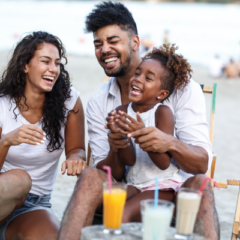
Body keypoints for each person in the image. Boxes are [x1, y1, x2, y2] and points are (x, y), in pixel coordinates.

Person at [58, 2, 219, 240]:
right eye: (98, 44)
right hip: (131, 186)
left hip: (174, 188)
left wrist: (167, 142)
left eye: (113, 41)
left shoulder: (183, 90)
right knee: (90, 177)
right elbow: (115, 172)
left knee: (201, 187)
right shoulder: (100, 101)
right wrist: (118, 144)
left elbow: (200, 164)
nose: (104, 50)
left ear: (135, 43)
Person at [0, 31, 86, 240]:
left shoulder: (69, 100)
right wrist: (6, 142)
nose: (53, 69)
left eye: (57, 63)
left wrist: (76, 158)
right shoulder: (2, 104)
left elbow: (77, 149)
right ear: (25, 65)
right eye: (45, 61)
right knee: (20, 180)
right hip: (3, 194)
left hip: (33, 206)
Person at [105, 44, 191, 221]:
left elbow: (163, 163)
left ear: (161, 94)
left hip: (162, 185)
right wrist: (119, 137)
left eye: (148, 78)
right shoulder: (122, 110)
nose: (138, 79)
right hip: (135, 183)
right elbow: (129, 160)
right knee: (108, 206)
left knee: (122, 214)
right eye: (137, 73)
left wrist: (141, 133)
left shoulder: (162, 113)